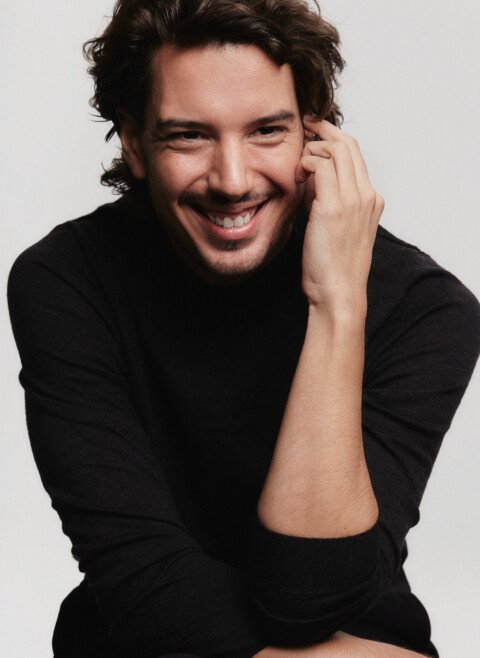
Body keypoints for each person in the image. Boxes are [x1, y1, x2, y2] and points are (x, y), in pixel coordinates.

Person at [6, 1, 480, 657]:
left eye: (266, 131)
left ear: (315, 138)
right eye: (188, 136)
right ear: (134, 142)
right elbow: (148, 583)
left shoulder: (426, 309)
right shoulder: (66, 283)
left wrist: (337, 302)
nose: (232, 181)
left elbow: (309, 595)